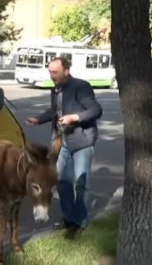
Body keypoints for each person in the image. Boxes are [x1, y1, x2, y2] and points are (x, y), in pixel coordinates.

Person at [25, 57, 102, 237]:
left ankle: (79, 221)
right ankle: (68, 218)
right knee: (61, 183)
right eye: (50, 72)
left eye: (55, 72)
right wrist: (38, 119)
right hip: (61, 143)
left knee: (81, 184)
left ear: (66, 71)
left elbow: (96, 110)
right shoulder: (56, 88)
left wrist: (74, 117)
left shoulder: (81, 87)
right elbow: (54, 111)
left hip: (82, 141)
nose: (51, 76)